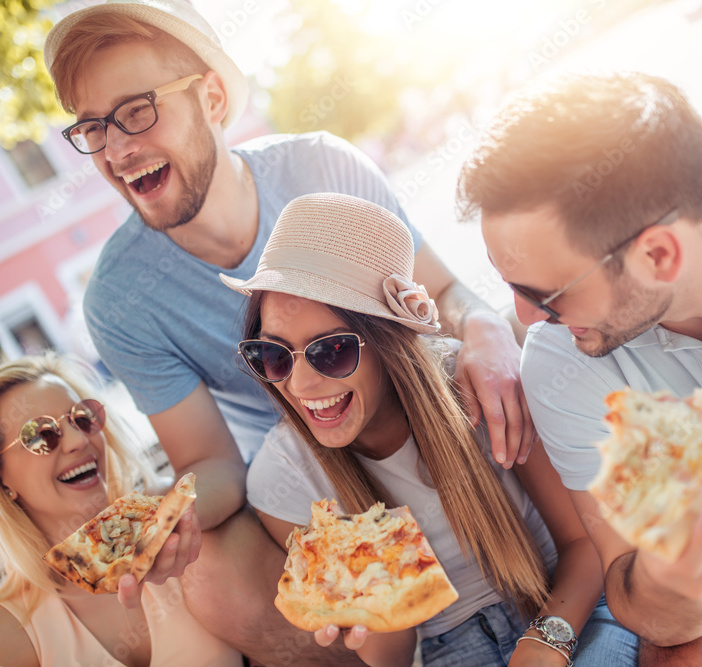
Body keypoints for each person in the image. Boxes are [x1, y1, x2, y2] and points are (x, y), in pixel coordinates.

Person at [42, 1, 529, 661]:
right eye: (94, 127)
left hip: (427, 425)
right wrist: (171, 516)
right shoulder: (119, 299)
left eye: (136, 111)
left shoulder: (322, 168)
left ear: (212, 97)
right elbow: (208, 462)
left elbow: (443, 295)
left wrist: (485, 329)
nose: (117, 148)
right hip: (308, 481)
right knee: (210, 570)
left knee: (521, 345)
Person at [458, 70, 702, 665]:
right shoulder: (562, 357)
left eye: (545, 293)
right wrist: (675, 583)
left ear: (659, 254)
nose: (526, 318)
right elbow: (639, 598)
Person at [221, 192, 639, 667]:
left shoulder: (478, 387)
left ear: (388, 343)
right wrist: (368, 620)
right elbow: (395, 657)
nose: (299, 384)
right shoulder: (284, 479)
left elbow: (584, 545)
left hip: (567, 605)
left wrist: (545, 644)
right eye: (272, 355)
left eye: (331, 351)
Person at [0, 354, 241, 666]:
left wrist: (181, 519)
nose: (78, 440)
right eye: (40, 435)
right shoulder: (2, 636)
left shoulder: (168, 515)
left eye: (82, 418)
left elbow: (227, 475)